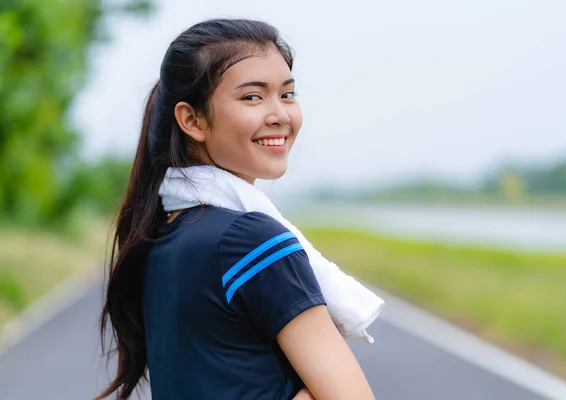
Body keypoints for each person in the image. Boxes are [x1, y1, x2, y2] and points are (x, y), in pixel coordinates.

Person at [95, 18, 375, 400]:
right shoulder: (252, 242)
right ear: (192, 120)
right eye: (252, 97)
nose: (279, 114)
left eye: (287, 95)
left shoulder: (162, 234)